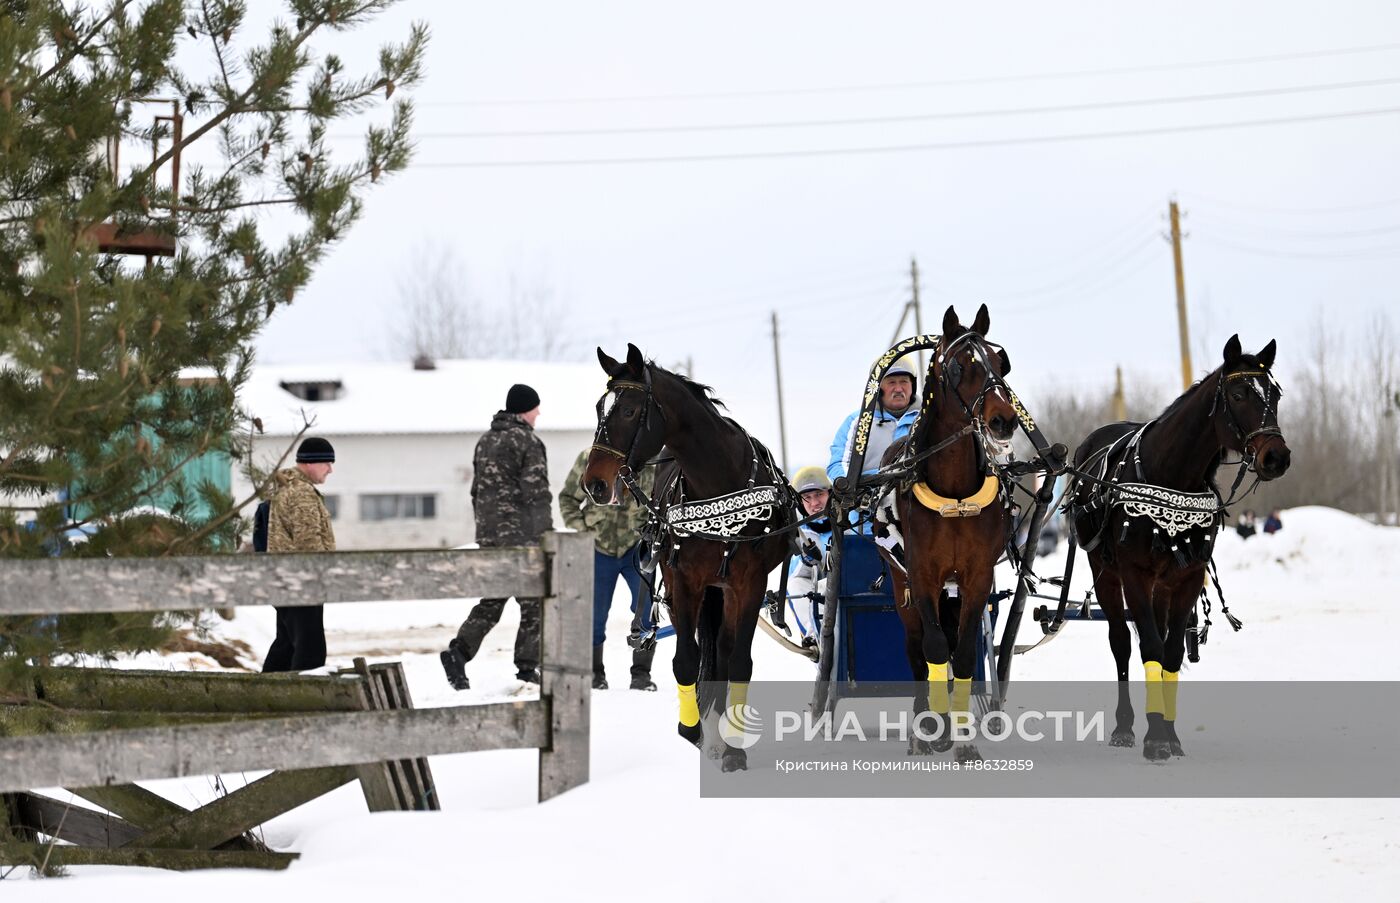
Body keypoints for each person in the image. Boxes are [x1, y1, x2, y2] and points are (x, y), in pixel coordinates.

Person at [440, 384, 552, 690]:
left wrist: (486, 531)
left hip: (490, 535)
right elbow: (536, 492)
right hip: (521, 536)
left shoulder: (485, 441)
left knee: (493, 598)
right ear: (524, 410)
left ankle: (458, 653)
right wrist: (546, 536)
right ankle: (527, 670)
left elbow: (476, 490)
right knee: (533, 602)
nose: (538, 413)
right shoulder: (528, 441)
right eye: (535, 408)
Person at [559, 448, 657, 691]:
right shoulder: (589, 459)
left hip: (637, 549)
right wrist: (583, 529)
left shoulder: (651, 463)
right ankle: (595, 674)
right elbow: (567, 499)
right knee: (595, 614)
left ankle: (641, 675)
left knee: (645, 614)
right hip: (598, 549)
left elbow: (662, 504)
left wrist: (653, 533)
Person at [262, 436, 337, 673]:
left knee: (286, 646)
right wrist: (322, 575)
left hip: (285, 580)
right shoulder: (301, 494)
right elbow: (308, 544)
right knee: (310, 650)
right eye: (326, 463)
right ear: (310, 463)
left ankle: (265, 696)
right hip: (303, 582)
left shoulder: (286, 489)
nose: (330, 470)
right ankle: (307, 700)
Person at [828, 356, 921, 485]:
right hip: (871, 500)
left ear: (913, 386)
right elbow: (839, 464)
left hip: (920, 499)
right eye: (891, 382)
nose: (899, 389)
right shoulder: (857, 422)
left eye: (904, 382)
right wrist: (846, 484)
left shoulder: (928, 418)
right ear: (877, 388)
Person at [783, 466, 835, 646]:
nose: (814, 504)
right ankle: (813, 637)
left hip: (845, 588)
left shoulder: (848, 520)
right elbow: (795, 575)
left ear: (830, 494)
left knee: (822, 585)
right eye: (807, 498)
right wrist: (805, 559)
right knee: (794, 584)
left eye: (819, 494)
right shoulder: (799, 531)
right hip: (817, 593)